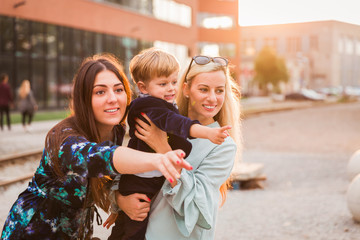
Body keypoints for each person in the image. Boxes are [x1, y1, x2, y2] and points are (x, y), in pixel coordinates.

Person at [0, 53, 192, 240]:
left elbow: (105, 177)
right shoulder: (62, 138)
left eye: (118, 90)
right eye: (100, 92)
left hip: (76, 231)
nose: (112, 98)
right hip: (34, 232)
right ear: (84, 98)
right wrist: (159, 158)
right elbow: (100, 158)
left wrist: (119, 199)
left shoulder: (115, 130)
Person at [113, 55, 242, 239]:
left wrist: (163, 148)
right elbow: (129, 164)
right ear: (186, 89)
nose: (212, 98)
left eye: (220, 90)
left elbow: (195, 204)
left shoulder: (224, 146)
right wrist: (120, 200)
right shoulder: (161, 119)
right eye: (204, 89)